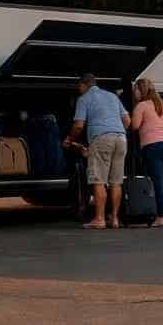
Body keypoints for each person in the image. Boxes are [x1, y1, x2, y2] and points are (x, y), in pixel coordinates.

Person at [62, 72, 130, 229]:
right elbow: (127, 120)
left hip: (101, 139)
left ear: (83, 85)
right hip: (120, 138)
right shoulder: (112, 96)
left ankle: (99, 219)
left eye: (79, 87)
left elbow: (78, 125)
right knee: (116, 182)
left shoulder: (84, 99)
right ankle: (114, 219)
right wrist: (116, 131)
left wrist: (69, 139)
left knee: (98, 180)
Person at [129, 76, 163, 227]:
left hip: (153, 146)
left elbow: (135, 126)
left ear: (141, 90)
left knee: (157, 181)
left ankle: (160, 217)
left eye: (136, 89)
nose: (134, 92)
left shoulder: (141, 106)